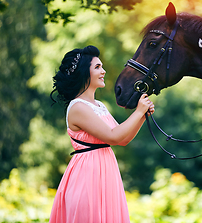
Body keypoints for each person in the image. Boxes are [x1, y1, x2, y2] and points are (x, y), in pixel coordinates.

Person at [49, 45, 155, 223]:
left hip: (106, 171)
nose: (103, 71)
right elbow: (113, 136)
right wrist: (137, 112)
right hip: (87, 175)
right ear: (84, 72)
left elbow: (122, 139)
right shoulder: (77, 107)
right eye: (97, 67)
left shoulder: (99, 105)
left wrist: (142, 116)